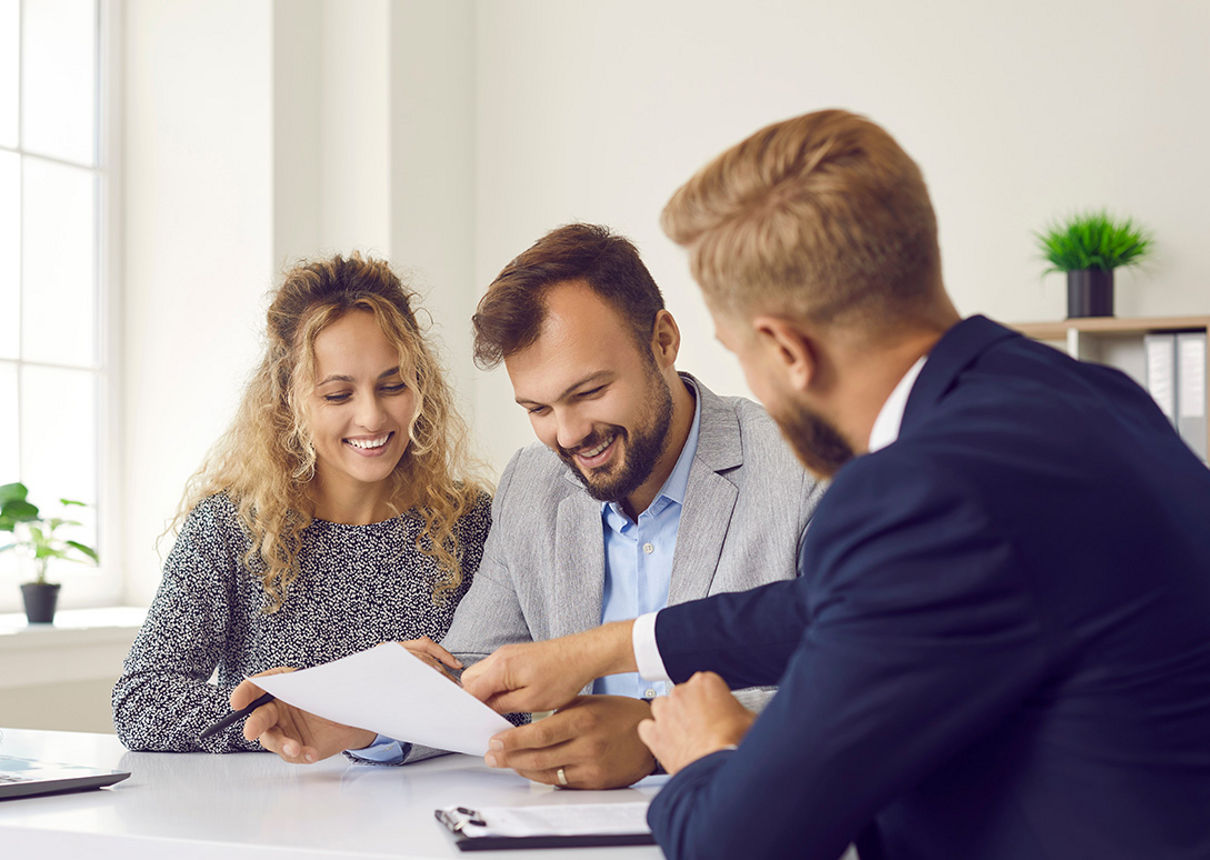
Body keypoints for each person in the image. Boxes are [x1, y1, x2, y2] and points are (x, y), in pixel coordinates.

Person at [461, 111, 1210, 859]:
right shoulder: (1089, 398)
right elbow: (828, 609)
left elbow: (738, 843)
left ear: (787, 348)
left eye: (737, 350)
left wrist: (710, 754)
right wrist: (608, 648)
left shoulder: (921, 489)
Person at [234, 223, 824, 788]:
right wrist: (363, 717)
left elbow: (861, 679)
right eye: (537, 409)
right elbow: (472, 670)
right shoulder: (533, 484)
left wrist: (651, 741)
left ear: (663, 341)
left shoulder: (803, 462)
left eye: (589, 391)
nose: (567, 436)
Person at [112, 254, 491, 752]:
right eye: (338, 395)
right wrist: (322, 703)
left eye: (392, 386)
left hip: (427, 818)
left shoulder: (469, 521)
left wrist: (356, 704)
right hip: (276, 819)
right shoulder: (230, 526)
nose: (372, 417)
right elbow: (141, 703)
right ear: (288, 399)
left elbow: (510, 707)